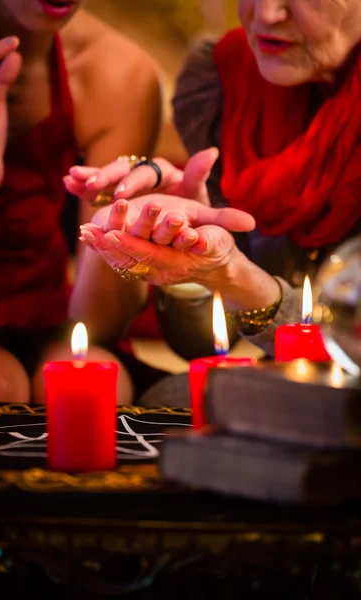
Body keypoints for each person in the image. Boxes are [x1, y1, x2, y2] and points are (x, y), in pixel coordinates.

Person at [67, 0, 361, 372]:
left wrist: (237, 276)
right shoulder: (226, 78)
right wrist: (191, 259)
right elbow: (199, 345)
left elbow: (350, 351)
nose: (267, 14)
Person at [0, 0, 164, 405]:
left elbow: (97, 322)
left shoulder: (119, 71)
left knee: (93, 390)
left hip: (49, 317)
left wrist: (127, 243)